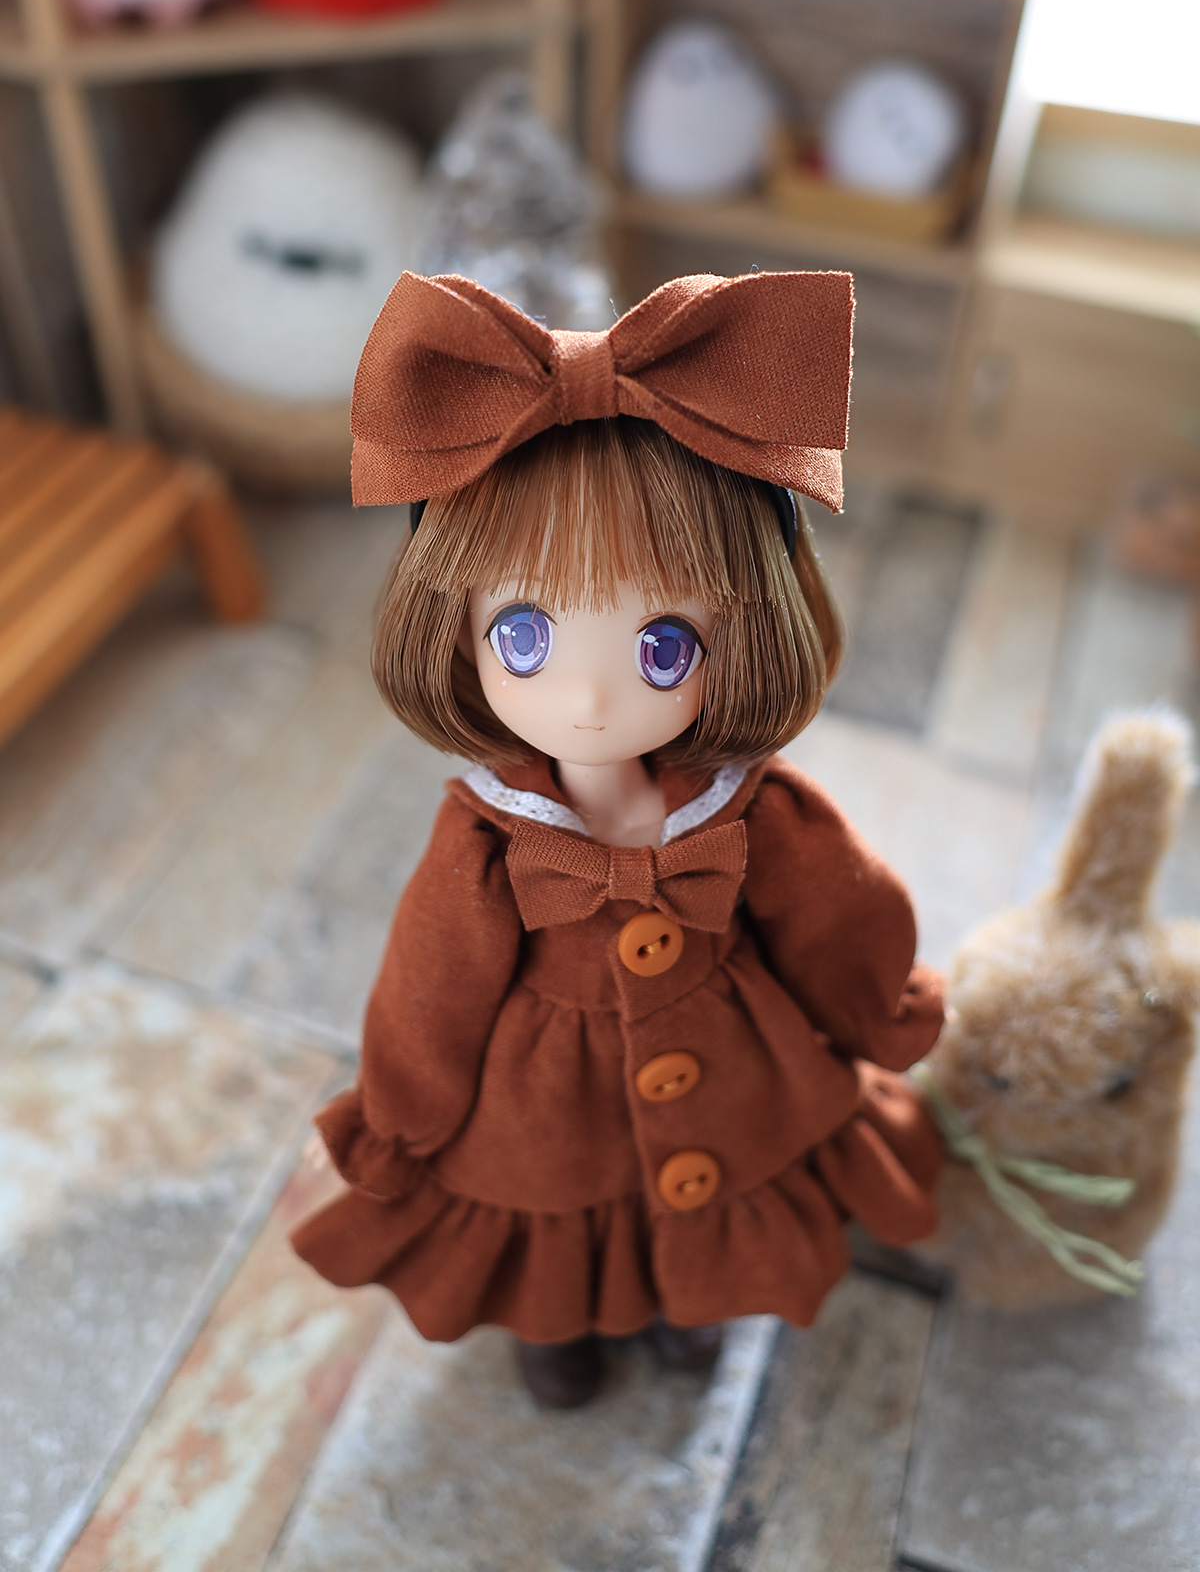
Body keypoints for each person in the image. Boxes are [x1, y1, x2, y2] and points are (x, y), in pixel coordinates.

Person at [292, 269, 944, 1408]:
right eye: (525, 636)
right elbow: (428, 994)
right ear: (456, 631)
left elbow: (840, 914)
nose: (590, 701)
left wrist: (874, 1006)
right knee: (557, 1203)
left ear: (744, 631)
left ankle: (696, 1299)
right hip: (544, 1108)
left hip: (736, 1067)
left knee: (727, 1178)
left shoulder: (753, 810)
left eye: (662, 647)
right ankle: (558, 1321)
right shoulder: (486, 844)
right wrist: (401, 1121)